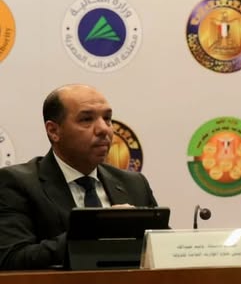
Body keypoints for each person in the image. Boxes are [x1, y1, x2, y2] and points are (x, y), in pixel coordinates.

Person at [0, 84, 159, 270]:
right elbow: (12, 258)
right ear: (53, 131)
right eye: (86, 119)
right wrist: (97, 227)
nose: (104, 129)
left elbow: (163, 252)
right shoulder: (17, 183)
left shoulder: (134, 184)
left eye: (107, 118)